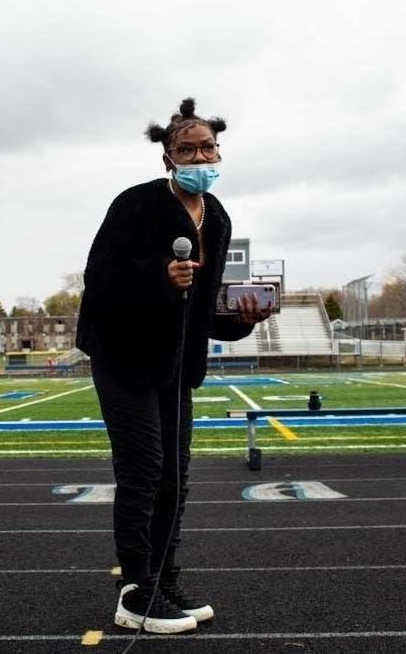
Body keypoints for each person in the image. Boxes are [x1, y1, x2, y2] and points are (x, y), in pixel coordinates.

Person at [76, 98, 272, 634]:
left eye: (208, 147)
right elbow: (101, 279)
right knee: (142, 472)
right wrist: (160, 275)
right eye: (187, 148)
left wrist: (245, 319)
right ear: (167, 157)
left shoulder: (219, 217)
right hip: (123, 355)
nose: (200, 156)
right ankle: (135, 593)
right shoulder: (135, 205)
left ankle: (164, 579)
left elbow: (201, 313)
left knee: (174, 478)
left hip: (175, 365)